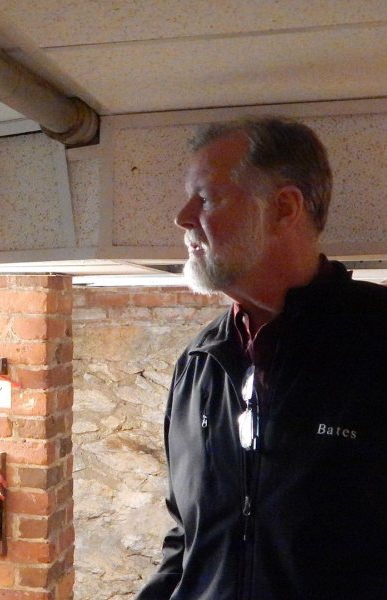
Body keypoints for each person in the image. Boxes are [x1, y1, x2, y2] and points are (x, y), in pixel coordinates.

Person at [136, 117, 387, 599]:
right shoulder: (198, 363)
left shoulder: (378, 345)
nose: (182, 217)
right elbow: (189, 538)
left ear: (284, 208)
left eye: (206, 198)